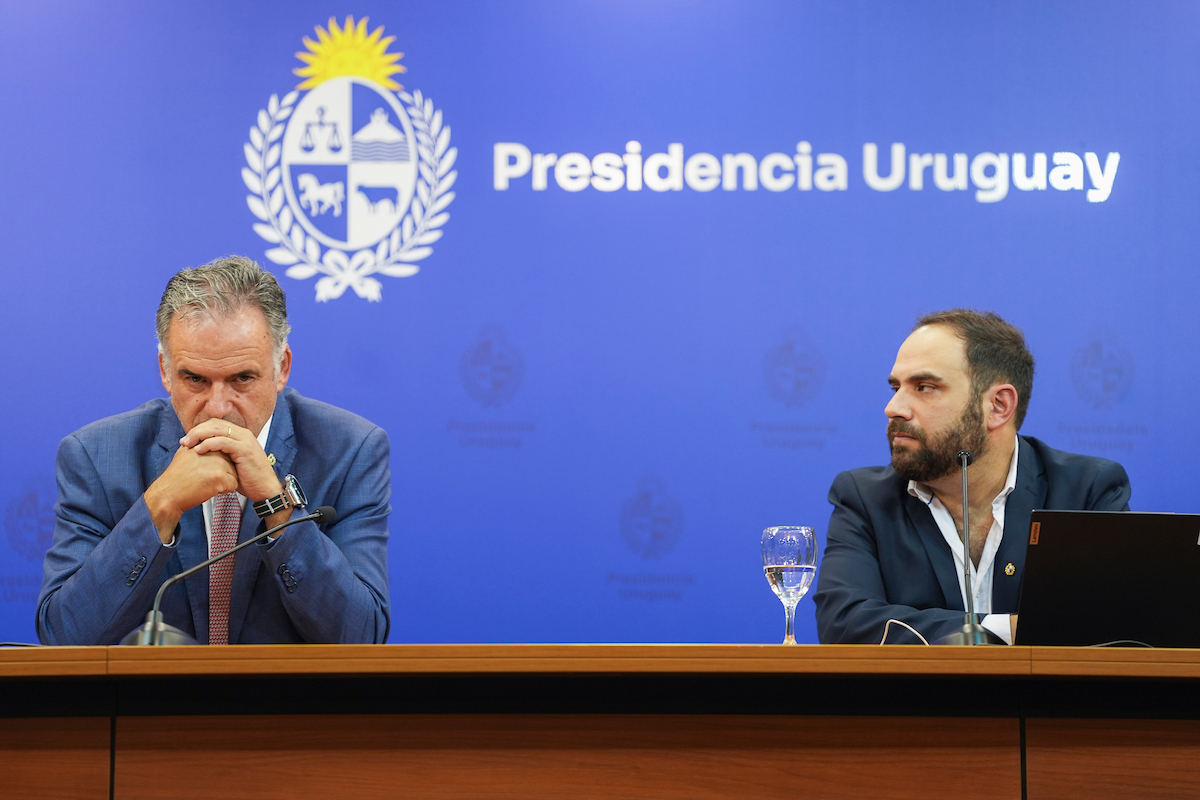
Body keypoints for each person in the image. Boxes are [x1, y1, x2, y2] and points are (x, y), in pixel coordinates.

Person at [37, 256, 390, 645]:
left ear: (282, 368)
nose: (218, 406)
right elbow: (65, 636)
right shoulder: (96, 456)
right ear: (166, 371)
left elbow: (361, 637)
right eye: (195, 379)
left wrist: (277, 505)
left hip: (287, 705)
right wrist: (160, 506)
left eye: (242, 378)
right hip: (150, 705)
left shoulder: (350, 449)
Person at [813, 309, 1130, 645]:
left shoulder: (1085, 491)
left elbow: (1115, 628)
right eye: (896, 387)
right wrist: (1008, 629)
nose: (894, 408)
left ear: (998, 406)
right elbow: (844, 625)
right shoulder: (865, 499)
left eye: (924, 387)